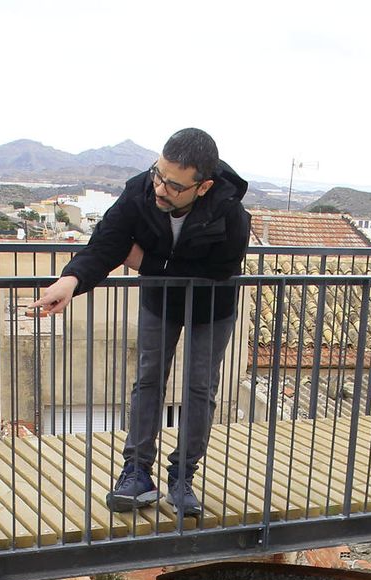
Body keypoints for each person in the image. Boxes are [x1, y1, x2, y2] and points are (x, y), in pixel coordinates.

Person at [31, 128, 250, 519]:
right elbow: (107, 243)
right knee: (148, 380)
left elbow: (218, 270)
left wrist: (148, 263)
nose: (161, 189)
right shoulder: (140, 190)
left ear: (203, 187)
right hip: (159, 301)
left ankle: (182, 478)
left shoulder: (230, 210)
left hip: (211, 305)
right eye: (158, 174)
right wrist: (71, 281)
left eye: (175, 185)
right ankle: (136, 473)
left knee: (200, 388)